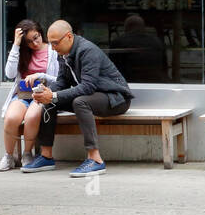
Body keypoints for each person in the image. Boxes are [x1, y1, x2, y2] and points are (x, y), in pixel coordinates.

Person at [24, 20, 133, 178]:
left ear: (68, 37)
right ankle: (46, 156)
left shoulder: (87, 50)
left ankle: (95, 159)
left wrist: (53, 95)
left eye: (55, 43)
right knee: (50, 101)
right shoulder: (63, 53)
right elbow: (62, 82)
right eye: (51, 43)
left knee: (79, 102)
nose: (52, 48)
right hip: (93, 95)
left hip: (115, 98)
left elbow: (88, 87)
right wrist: (46, 93)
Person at [0, 18, 59, 171]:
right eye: (29, 42)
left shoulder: (53, 51)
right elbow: (10, 74)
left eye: (36, 38)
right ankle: (9, 156)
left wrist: (40, 75)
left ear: (41, 33)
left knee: (32, 116)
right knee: (11, 117)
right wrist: (16, 45)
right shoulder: (22, 52)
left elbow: (59, 78)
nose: (35, 44)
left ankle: (27, 154)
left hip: (42, 94)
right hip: (23, 94)